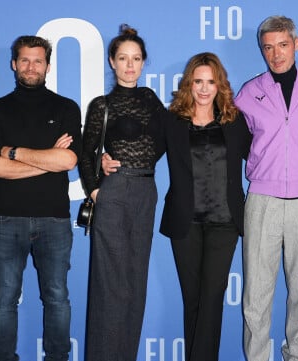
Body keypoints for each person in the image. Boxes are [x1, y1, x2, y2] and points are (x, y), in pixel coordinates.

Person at [234, 16, 298, 361]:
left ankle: (297, 356)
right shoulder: (250, 91)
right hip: (262, 200)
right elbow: (239, 142)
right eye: (268, 47)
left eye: (282, 45)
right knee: (256, 294)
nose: (276, 54)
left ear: (296, 44)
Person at [0, 35, 81, 361]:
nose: (31, 66)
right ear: (14, 64)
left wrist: (14, 152)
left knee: (57, 298)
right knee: (4, 300)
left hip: (55, 219)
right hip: (6, 219)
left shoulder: (66, 107)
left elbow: (68, 162)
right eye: (24, 60)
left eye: (38, 60)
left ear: (48, 65)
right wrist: (46, 160)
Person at [79, 24, 166, 361]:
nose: (130, 65)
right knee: (109, 283)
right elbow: (87, 154)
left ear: (143, 63)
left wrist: (139, 165)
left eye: (136, 59)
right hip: (114, 193)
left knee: (134, 282)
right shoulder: (102, 104)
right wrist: (97, 188)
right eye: (123, 58)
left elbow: (162, 141)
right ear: (112, 62)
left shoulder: (150, 100)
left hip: (146, 191)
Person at [159, 52, 252, 361]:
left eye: (210, 82)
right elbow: (145, 152)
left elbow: (262, 155)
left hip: (225, 222)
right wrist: (108, 160)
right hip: (185, 222)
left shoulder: (234, 121)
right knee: (193, 300)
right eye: (198, 81)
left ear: (219, 85)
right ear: (189, 84)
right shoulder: (172, 121)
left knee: (212, 298)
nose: (203, 88)